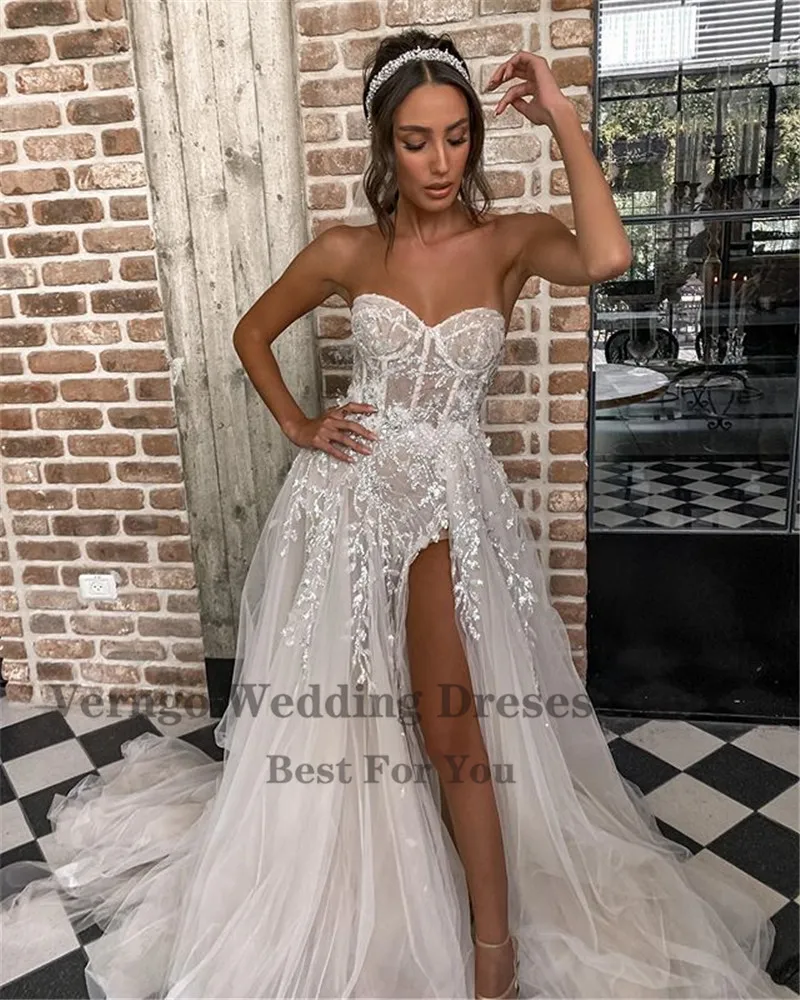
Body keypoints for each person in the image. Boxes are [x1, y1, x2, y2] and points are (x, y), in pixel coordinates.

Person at [0, 28, 795, 1000]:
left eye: (457, 136)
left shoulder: (508, 242)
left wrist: (558, 115)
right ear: (385, 144)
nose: (439, 160)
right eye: (416, 140)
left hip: (450, 504)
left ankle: (493, 951)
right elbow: (251, 331)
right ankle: (385, 889)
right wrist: (301, 424)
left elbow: (608, 252)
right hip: (350, 501)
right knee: (355, 719)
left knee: (452, 719)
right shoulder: (348, 249)